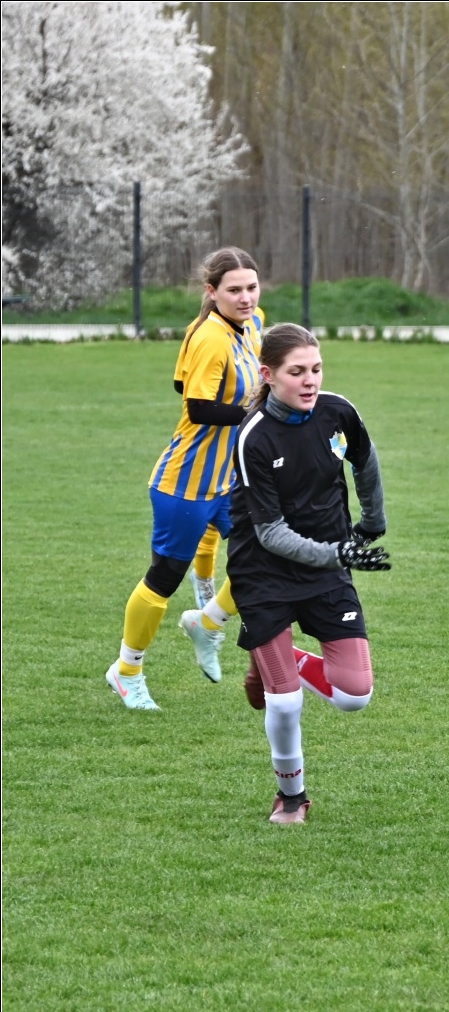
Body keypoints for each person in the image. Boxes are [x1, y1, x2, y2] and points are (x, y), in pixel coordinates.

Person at [227, 323, 391, 824]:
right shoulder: (254, 437)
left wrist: (373, 522)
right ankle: (291, 797)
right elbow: (271, 533)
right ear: (268, 375)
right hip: (264, 572)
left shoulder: (338, 412)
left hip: (325, 565)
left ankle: (281, 657)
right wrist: (339, 553)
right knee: (284, 704)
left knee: (354, 695)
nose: (310, 380)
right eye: (297, 372)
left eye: (316, 369)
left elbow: (364, 459)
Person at [107, 247, 263, 708]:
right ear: (211, 291)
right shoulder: (210, 336)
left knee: (265, 558)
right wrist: (259, 413)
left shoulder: (252, 323)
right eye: (234, 290)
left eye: (252, 287)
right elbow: (196, 406)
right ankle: (126, 670)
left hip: (229, 480)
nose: (246, 297)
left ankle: (207, 622)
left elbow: (184, 381)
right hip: (186, 483)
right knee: (164, 578)